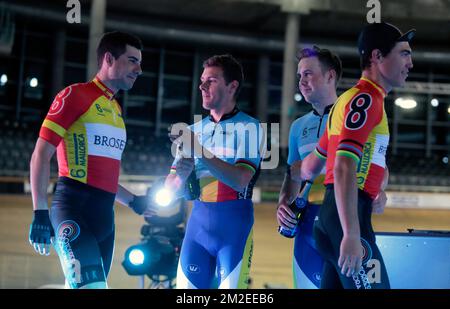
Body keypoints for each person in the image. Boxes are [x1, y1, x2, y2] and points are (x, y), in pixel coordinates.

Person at [293, 22, 414, 289]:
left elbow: (310, 167)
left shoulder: (347, 101)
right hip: (346, 221)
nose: (410, 63)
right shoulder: (366, 99)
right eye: (404, 53)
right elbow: (344, 166)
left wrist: (374, 188)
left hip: (332, 218)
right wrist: (350, 233)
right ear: (377, 57)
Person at [28, 31, 152, 289]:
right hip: (74, 210)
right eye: (132, 60)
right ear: (109, 59)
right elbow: (41, 153)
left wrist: (132, 201)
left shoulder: (115, 109)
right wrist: (40, 211)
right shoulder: (74, 95)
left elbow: (101, 175)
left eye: (139, 62)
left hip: (105, 218)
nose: (139, 69)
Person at [277, 46, 388, 289]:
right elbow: (292, 174)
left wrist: (380, 190)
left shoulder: (353, 111)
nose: (302, 82)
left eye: (308, 74)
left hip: (343, 219)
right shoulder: (297, 127)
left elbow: (379, 165)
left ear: (330, 76)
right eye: (300, 76)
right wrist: (283, 202)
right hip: (307, 231)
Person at [165, 54, 264, 289]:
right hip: (196, 227)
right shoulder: (192, 130)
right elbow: (171, 191)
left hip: (234, 230)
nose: (202, 85)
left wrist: (198, 149)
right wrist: (182, 175)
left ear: (232, 86)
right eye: (202, 80)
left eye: (211, 80)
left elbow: (240, 180)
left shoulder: (250, 127)